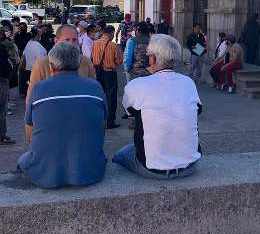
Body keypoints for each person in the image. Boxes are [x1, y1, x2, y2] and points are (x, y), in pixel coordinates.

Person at [18, 42, 107, 189]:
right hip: (91, 171)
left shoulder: (39, 89)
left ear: (51, 66)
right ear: (78, 64)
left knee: (22, 160)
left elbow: (30, 134)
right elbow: (102, 128)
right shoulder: (95, 87)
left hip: (45, 174)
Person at [113, 34, 202, 179]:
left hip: (152, 168)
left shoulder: (136, 85)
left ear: (152, 58)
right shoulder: (188, 83)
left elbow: (129, 113)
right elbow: (197, 110)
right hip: (190, 165)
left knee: (122, 153)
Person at [27, 24, 96, 101]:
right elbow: (31, 98)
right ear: (56, 41)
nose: (71, 44)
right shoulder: (41, 65)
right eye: (67, 40)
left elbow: (93, 91)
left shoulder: (86, 62)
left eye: (74, 40)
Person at [92, 25, 123, 129]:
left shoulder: (95, 43)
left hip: (97, 72)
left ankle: (98, 118)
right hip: (110, 73)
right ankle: (110, 121)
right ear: (111, 33)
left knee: (99, 96)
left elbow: (92, 57)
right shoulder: (113, 46)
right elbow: (119, 61)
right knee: (111, 97)